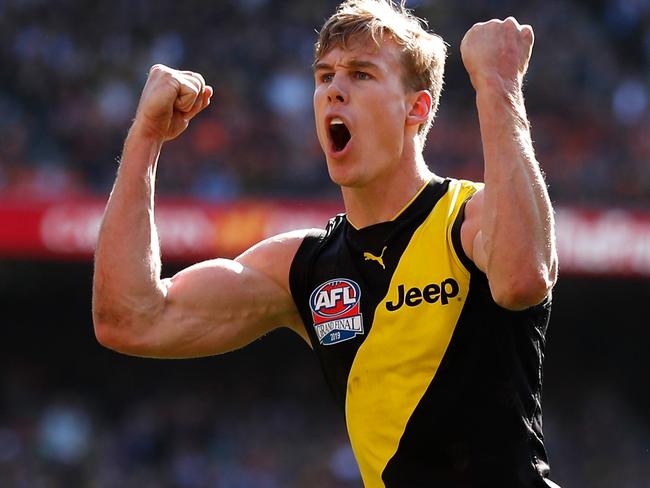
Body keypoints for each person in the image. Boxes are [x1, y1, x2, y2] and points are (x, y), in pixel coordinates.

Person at [93, 1, 559, 486]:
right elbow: (130, 320)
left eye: (361, 74)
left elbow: (523, 278)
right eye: (324, 77)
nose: (334, 90)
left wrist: (499, 86)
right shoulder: (303, 268)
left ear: (416, 108)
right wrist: (145, 138)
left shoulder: (471, 216)